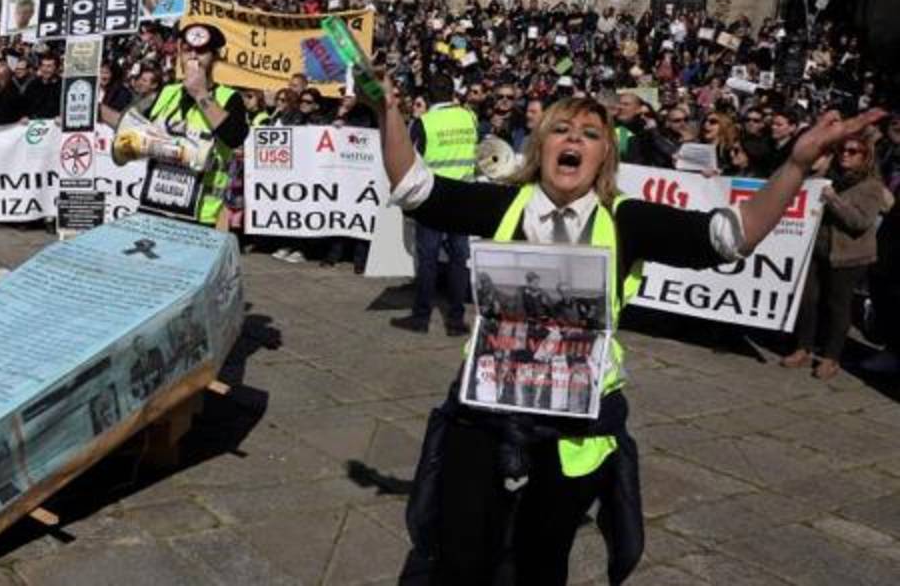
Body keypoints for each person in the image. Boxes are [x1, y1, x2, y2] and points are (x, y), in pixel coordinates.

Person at [370, 67, 885, 584]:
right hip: (484, 411)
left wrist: (796, 164)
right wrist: (388, 109)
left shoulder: (627, 220)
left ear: (604, 158)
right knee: (459, 555)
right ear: (540, 146)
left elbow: (735, 235)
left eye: (590, 135)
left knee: (542, 559)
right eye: (561, 130)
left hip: (576, 427)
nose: (574, 140)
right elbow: (415, 188)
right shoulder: (505, 203)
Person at [782, 131, 890, 380]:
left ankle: (831, 357)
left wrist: (833, 200)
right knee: (808, 300)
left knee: (838, 306)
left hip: (849, 256)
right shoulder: (828, 177)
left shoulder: (872, 187)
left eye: (853, 152)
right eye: (842, 150)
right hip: (817, 250)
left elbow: (859, 221)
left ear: (865, 156)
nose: (845, 155)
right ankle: (803, 347)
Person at [391, 73, 477, 336]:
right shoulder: (469, 117)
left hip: (434, 195)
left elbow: (411, 160)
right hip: (462, 195)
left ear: (428, 96)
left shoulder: (423, 123)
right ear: (453, 92)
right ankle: (455, 320)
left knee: (427, 258)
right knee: (459, 258)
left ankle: (421, 317)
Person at [145, 23, 249, 227]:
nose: (193, 56)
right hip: (157, 204)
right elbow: (136, 128)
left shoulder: (230, 98)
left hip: (200, 214)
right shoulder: (167, 92)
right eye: (187, 50)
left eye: (201, 52)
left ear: (215, 56)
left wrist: (200, 94)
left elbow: (234, 137)